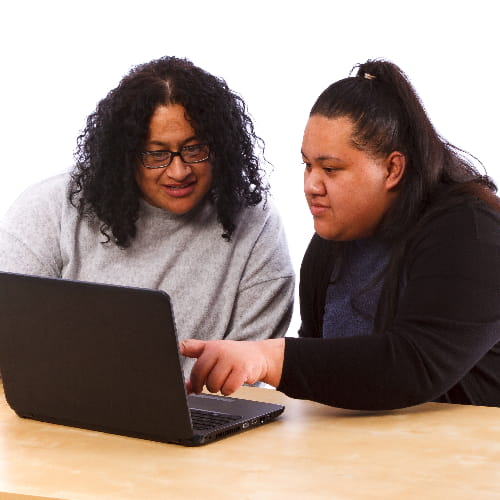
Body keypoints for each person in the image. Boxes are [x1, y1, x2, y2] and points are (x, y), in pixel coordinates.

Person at [180, 59, 500, 409]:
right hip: (358, 456)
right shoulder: (328, 246)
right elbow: (326, 376)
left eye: (331, 168)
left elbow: (414, 364)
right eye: (308, 165)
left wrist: (270, 357)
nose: (311, 185)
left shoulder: (470, 233)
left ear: (393, 168)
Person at [0, 56, 295, 377]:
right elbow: (9, 342)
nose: (179, 170)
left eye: (195, 149)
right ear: (125, 154)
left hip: (203, 419)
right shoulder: (52, 207)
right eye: (157, 154)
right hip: (55, 415)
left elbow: (247, 380)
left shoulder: (256, 224)